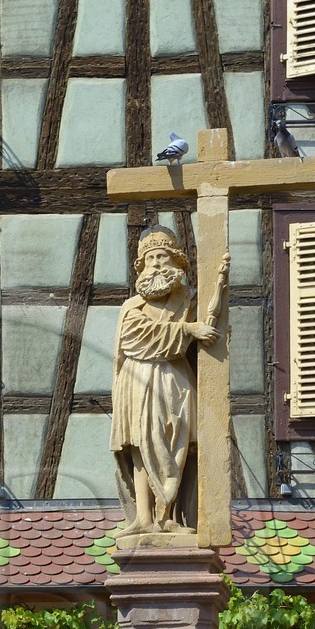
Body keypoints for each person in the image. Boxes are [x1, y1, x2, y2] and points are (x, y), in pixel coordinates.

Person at [110, 225, 229, 545]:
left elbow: (209, 323)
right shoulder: (131, 307)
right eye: (150, 259)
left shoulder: (189, 299)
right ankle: (143, 518)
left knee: (175, 444)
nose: (157, 264)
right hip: (137, 380)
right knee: (139, 446)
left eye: (163, 257)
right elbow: (134, 340)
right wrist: (189, 329)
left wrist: (197, 320)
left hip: (174, 381)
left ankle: (170, 518)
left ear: (175, 261)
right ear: (141, 267)